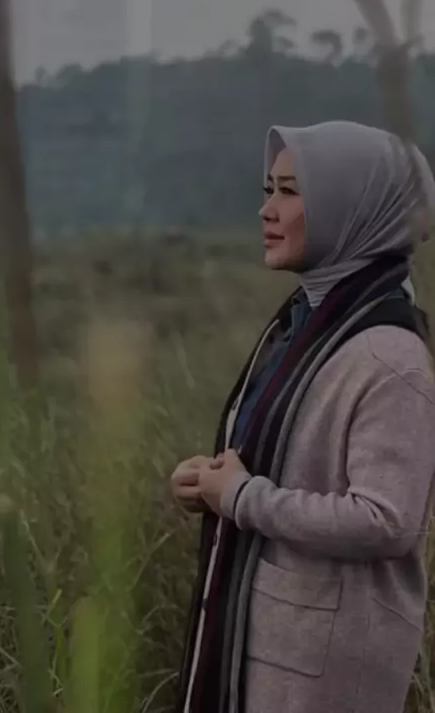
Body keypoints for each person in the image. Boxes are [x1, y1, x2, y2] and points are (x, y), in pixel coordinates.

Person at [171, 121, 435, 713]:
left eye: (291, 192)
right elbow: (280, 467)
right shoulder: (301, 329)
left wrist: (242, 497)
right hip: (268, 646)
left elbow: (386, 521)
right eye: (269, 189)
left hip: (326, 670)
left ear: (353, 209)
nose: (267, 209)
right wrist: (209, 484)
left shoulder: (389, 360)